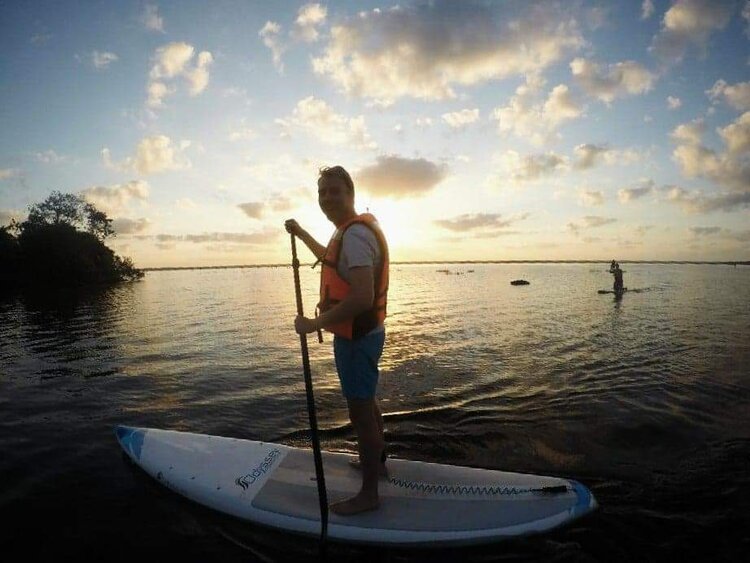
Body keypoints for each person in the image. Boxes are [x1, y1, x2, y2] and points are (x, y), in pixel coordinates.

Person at [285, 165, 389, 516]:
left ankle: (370, 494)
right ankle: (378, 459)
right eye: (322, 192)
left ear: (351, 194)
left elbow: (361, 297)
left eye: (335, 191)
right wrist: (300, 233)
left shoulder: (356, 237)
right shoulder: (346, 233)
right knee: (367, 403)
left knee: (360, 414)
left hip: (357, 338)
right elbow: (328, 260)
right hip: (362, 334)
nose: (327, 197)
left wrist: (313, 322)